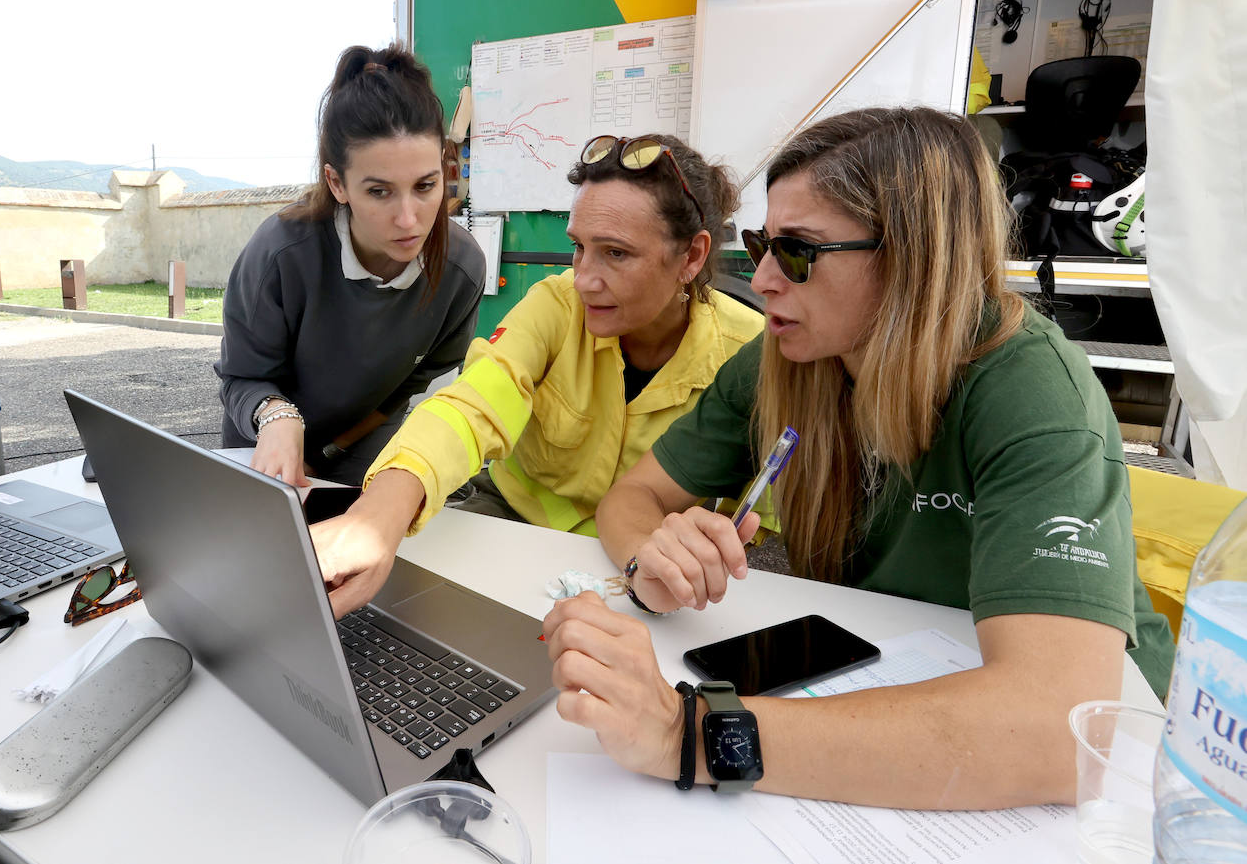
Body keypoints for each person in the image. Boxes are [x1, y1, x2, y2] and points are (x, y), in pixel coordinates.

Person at [545, 106, 1175, 809]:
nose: (760, 279)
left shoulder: (1031, 392)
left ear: (914, 256)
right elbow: (632, 497)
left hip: (1113, 776)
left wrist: (686, 733)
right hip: (884, 689)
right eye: (761, 244)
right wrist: (654, 558)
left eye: (797, 251)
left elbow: (1055, 731)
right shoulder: (787, 360)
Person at [312, 134, 764, 615]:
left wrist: (686, 558)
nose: (584, 279)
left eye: (616, 253)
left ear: (691, 257)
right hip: (511, 520)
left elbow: (760, 523)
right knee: (407, 617)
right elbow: (472, 406)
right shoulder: (556, 305)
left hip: (647, 564)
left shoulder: (749, 355)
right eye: (579, 247)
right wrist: (375, 518)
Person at [216, 43, 486, 488]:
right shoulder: (280, 253)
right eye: (379, 191)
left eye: (425, 186)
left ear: (445, 169)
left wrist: (335, 450)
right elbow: (242, 377)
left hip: (364, 447)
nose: (408, 219)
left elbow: (412, 384)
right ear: (337, 183)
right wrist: (278, 419)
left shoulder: (462, 269)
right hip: (264, 440)